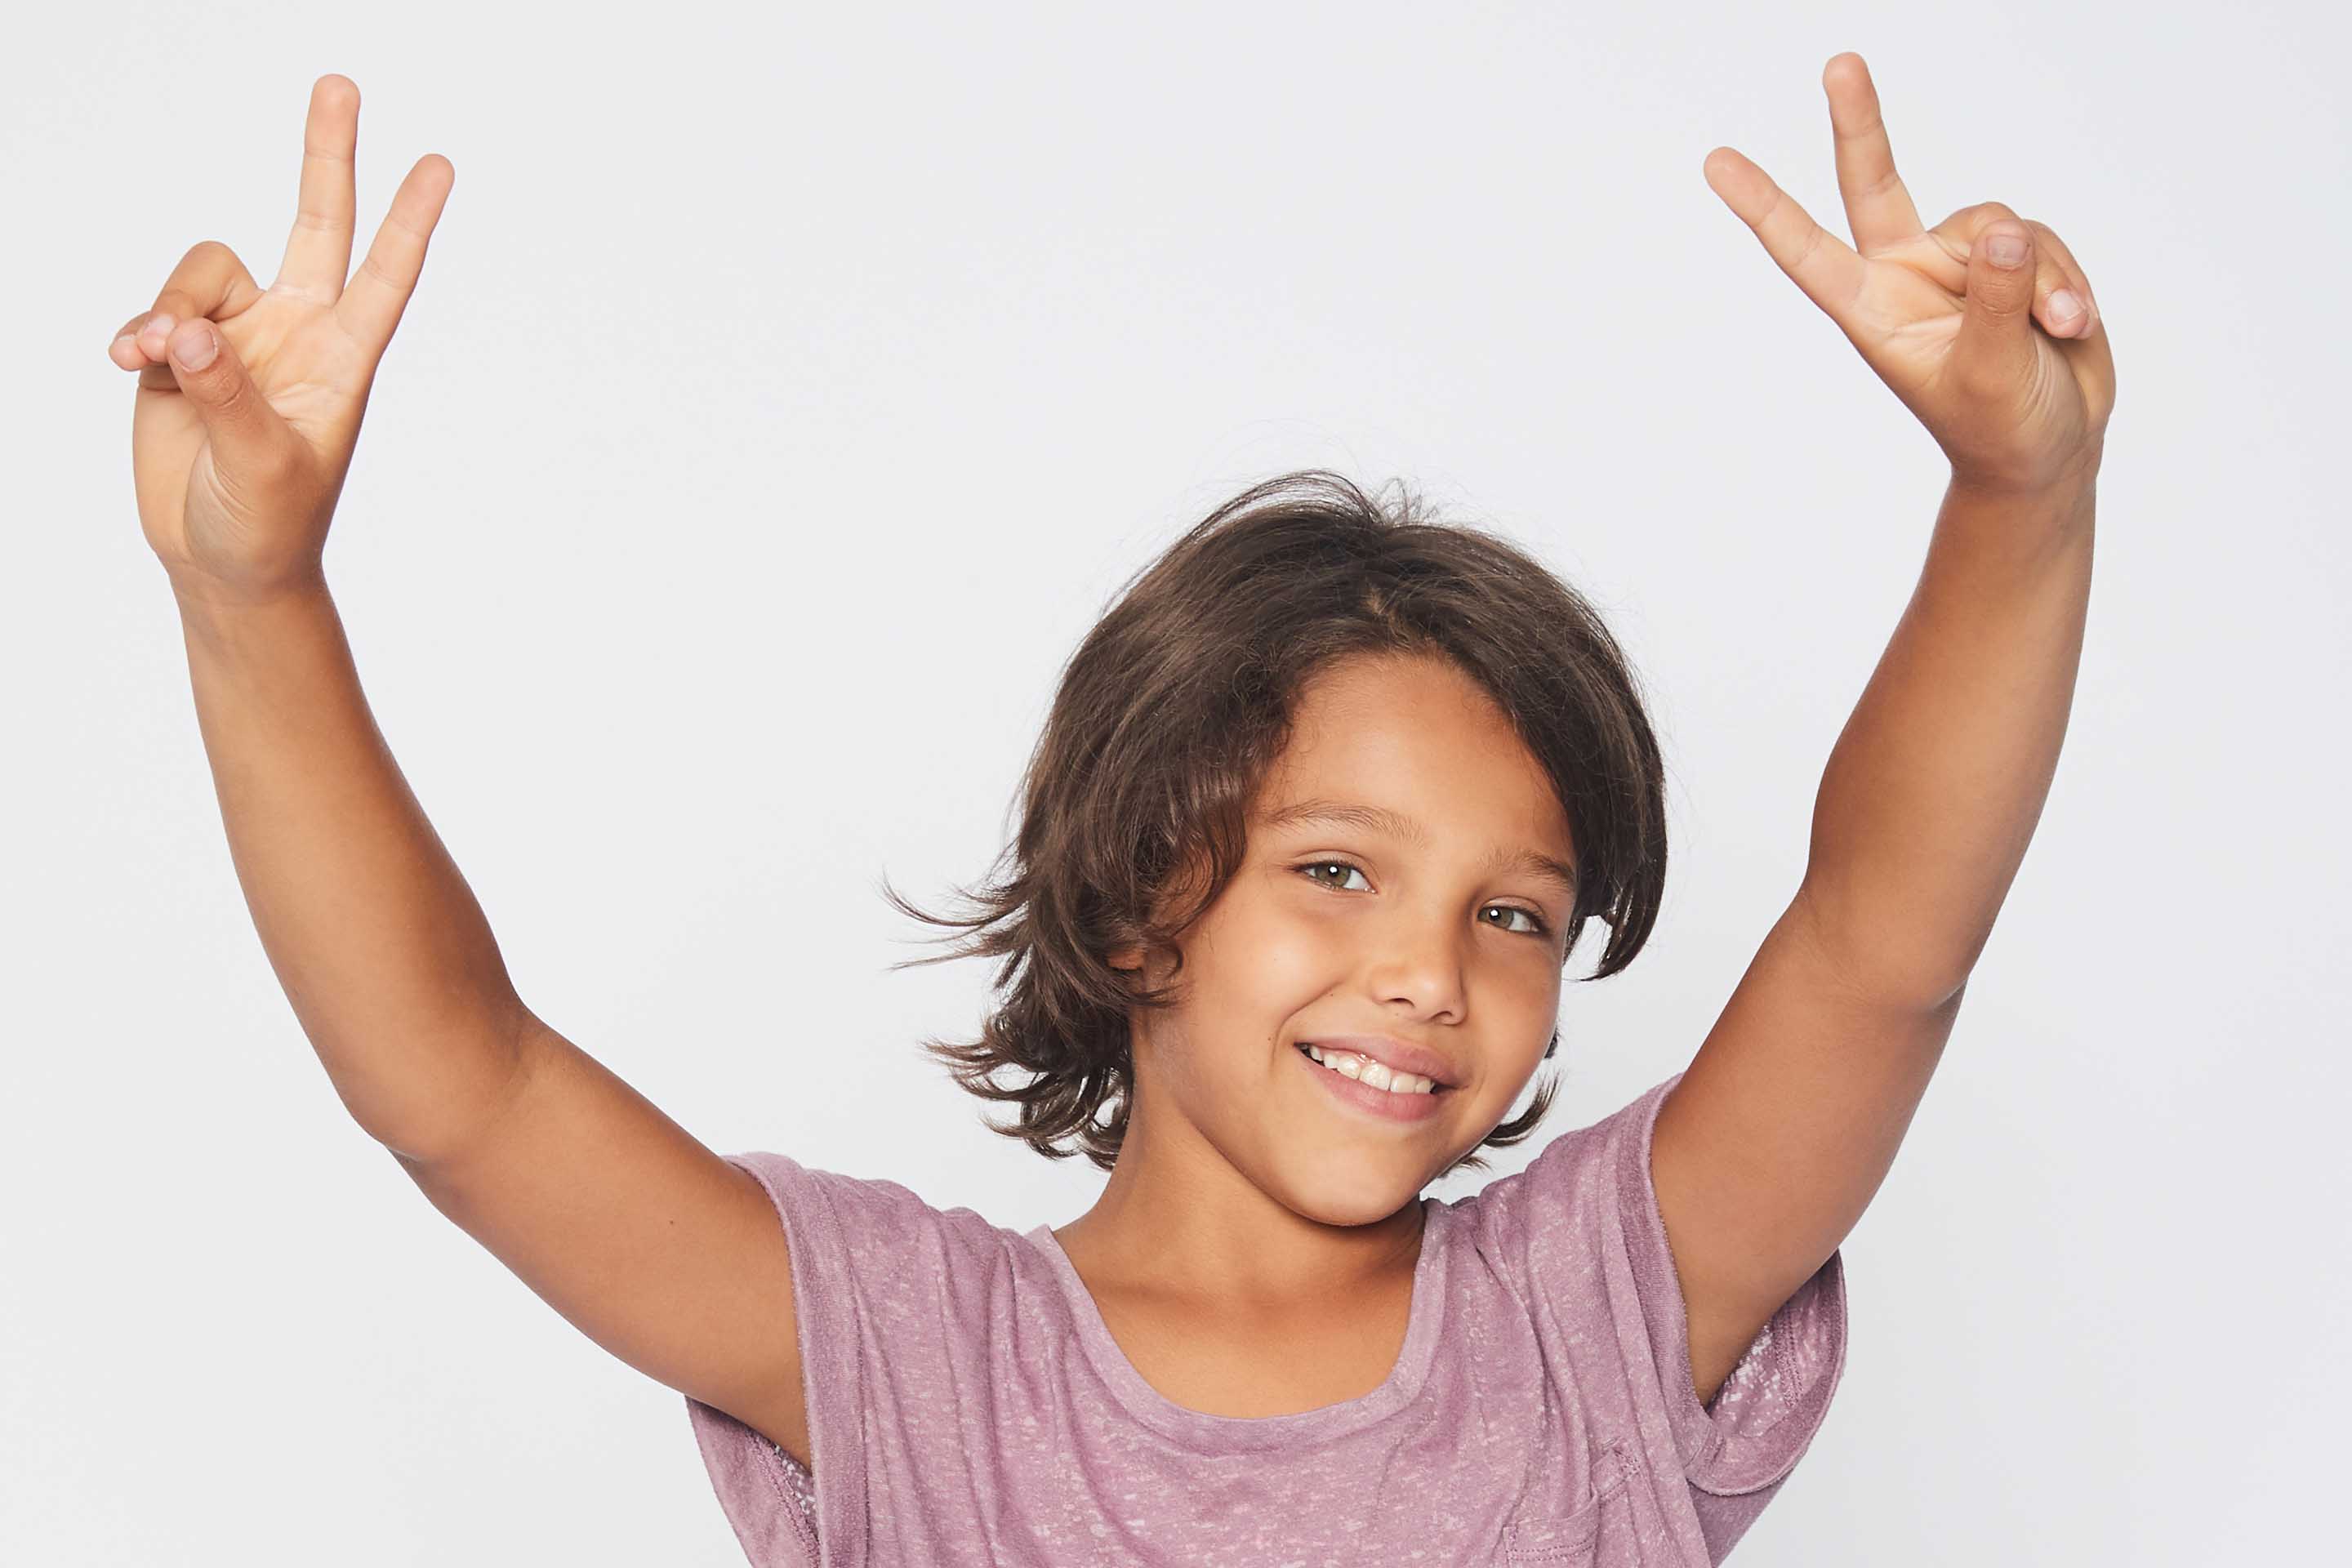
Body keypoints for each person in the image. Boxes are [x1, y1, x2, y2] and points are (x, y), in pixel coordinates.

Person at [113, 50, 2111, 1568]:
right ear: (1144, 894)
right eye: (1339, 873)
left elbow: (1882, 943)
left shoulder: (1602, 1312)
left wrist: (2019, 500)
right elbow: (456, 1089)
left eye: (1515, 916)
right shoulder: (908, 1359)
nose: (1427, 975)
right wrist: (255, 597)